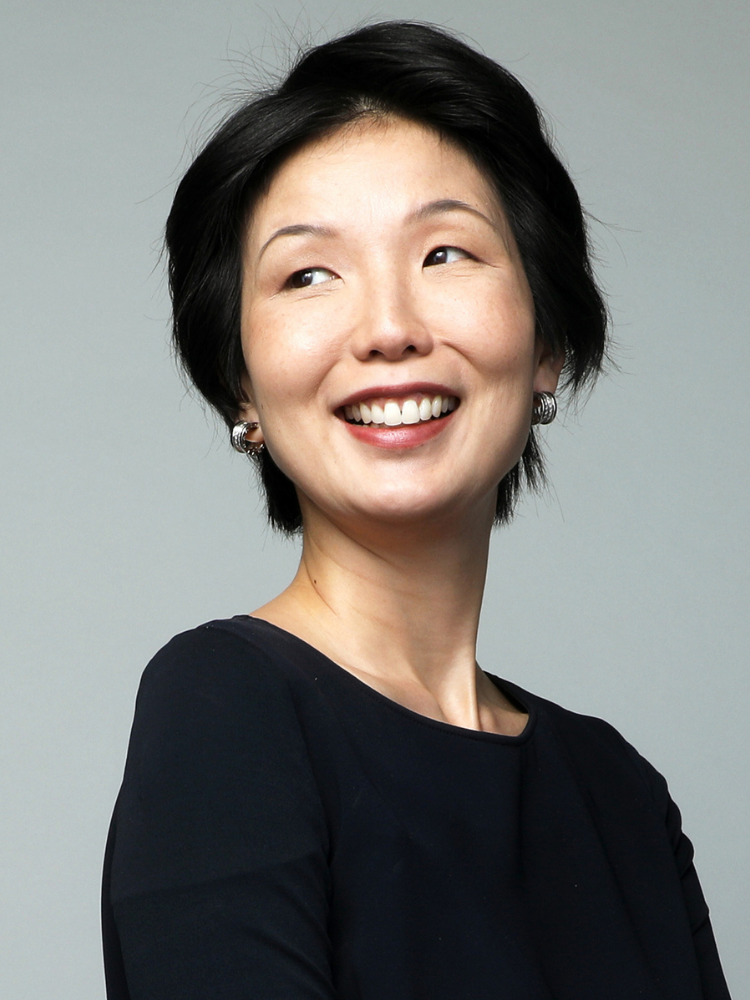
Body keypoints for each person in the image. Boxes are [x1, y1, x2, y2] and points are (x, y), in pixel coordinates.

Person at [102, 20, 731, 1000]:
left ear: (549, 344)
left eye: (445, 254)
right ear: (243, 391)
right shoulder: (227, 707)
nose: (389, 328)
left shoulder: (620, 793)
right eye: (308, 273)